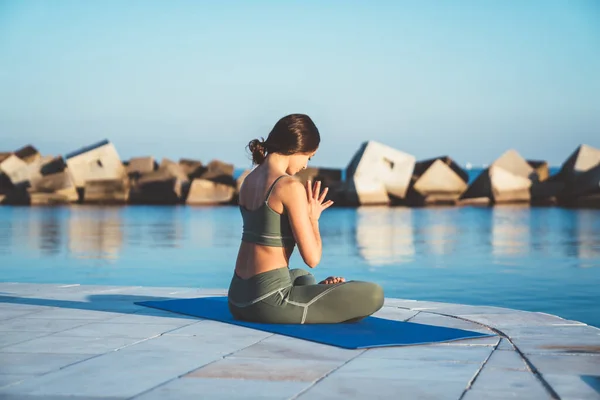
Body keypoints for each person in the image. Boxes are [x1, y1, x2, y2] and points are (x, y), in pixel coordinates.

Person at [227, 113, 384, 324]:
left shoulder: (249, 180)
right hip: (266, 303)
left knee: (302, 277)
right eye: (308, 157)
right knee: (374, 294)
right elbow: (313, 258)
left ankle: (320, 293)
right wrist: (313, 219)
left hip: (237, 298)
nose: (306, 166)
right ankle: (322, 297)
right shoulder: (289, 186)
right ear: (296, 149)